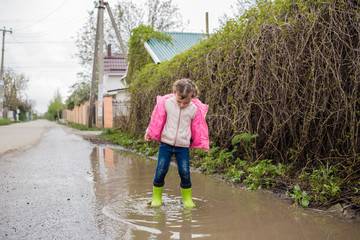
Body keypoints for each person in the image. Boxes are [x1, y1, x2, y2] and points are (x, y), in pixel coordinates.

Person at [144, 79, 210, 208]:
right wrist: (149, 131)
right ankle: (156, 198)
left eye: (186, 102)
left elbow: (199, 128)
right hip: (166, 144)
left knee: (185, 172)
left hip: (183, 146)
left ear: (192, 97)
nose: (181, 105)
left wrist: (202, 143)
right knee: (161, 170)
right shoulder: (167, 103)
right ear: (175, 93)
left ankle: (187, 199)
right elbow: (157, 119)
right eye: (179, 101)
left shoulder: (194, 109)